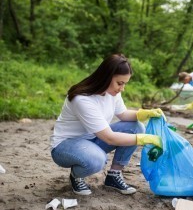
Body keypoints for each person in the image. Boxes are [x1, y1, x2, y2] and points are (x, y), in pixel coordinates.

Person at [50, 54, 165, 196]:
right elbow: (110, 138)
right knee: (97, 160)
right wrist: (145, 139)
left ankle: (114, 175)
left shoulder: (112, 92)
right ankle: (76, 175)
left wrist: (146, 113)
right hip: (65, 146)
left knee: (136, 127)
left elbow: (123, 114)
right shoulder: (83, 99)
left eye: (125, 83)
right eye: (119, 83)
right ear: (106, 77)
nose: (122, 88)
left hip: (93, 139)